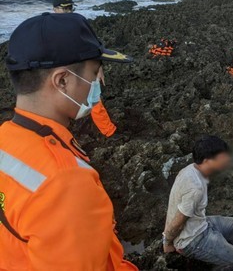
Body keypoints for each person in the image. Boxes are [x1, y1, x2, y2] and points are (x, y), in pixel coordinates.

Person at [0, 13, 137, 270]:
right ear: (62, 80)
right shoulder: (65, 182)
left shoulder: (6, 138)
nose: (96, 84)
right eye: (94, 74)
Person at [163, 135, 233, 270]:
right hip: (193, 240)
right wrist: (168, 242)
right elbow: (178, 220)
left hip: (201, 225)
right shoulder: (194, 187)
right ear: (207, 160)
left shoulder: (191, 169)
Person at [52, 0, 118, 138]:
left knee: (94, 100)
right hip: (60, 73)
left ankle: (109, 132)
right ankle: (59, 137)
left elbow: (93, 46)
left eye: (70, 8)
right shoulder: (48, 29)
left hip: (82, 70)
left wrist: (98, 68)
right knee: (57, 106)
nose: (68, 12)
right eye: (64, 9)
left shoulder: (78, 25)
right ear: (55, 9)